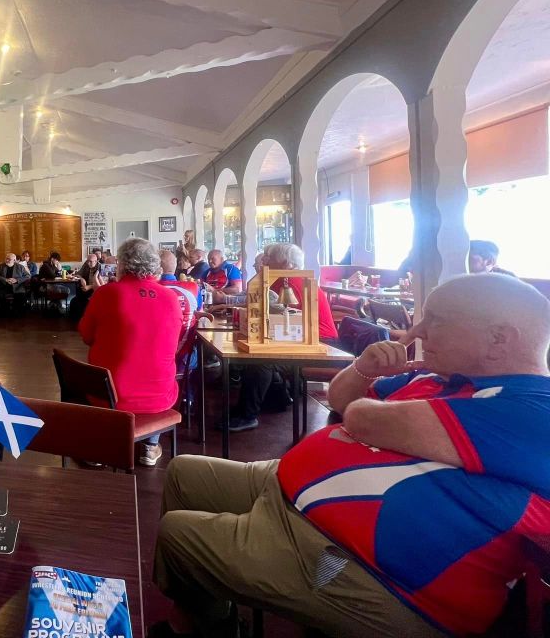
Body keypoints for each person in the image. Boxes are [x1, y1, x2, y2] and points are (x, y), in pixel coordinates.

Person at [154, 273, 550, 638]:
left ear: (499, 339)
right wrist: (364, 367)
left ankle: (205, 626)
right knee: (184, 473)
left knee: (178, 535)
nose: (416, 331)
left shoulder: (533, 410)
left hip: (367, 572)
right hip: (297, 494)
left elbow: (361, 418)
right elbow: (341, 399)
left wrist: (367, 411)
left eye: (436, 320)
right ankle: (207, 614)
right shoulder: (440, 377)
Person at [79, 238, 181, 467]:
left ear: (122, 264)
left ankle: (103, 445)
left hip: (111, 396)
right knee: (157, 373)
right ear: (155, 265)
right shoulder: (171, 298)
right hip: (159, 395)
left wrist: (99, 295)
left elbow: (86, 336)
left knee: (104, 381)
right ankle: (151, 446)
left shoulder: (107, 293)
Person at [224, 242, 338, 431]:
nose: (265, 261)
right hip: (298, 336)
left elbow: (277, 314)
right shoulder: (280, 280)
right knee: (255, 355)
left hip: (320, 341)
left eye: (270, 258)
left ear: (287, 265)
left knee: (262, 361)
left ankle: (248, 416)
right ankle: (272, 401)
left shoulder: (289, 283)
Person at [69, 251, 103, 319]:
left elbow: (102, 285)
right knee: (74, 301)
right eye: (87, 261)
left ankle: (83, 318)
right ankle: (75, 319)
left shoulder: (100, 267)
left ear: (96, 261)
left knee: (81, 304)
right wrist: (82, 278)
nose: (88, 263)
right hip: (86, 289)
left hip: (95, 291)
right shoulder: (86, 264)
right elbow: (78, 274)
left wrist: (89, 287)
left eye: (91, 261)